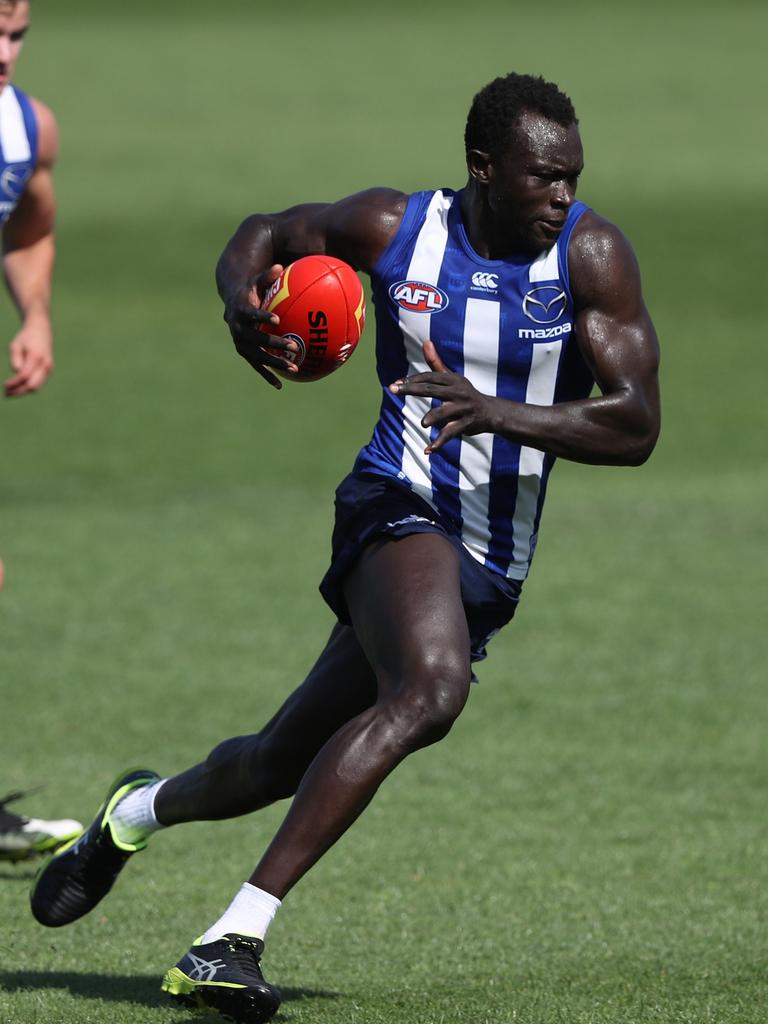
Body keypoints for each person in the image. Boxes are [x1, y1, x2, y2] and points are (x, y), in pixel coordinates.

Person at [30, 72, 660, 1024]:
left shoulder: (593, 255)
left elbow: (638, 425)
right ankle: (228, 940)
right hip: (392, 506)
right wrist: (241, 307)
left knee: (278, 760)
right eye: (545, 178)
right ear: (485, 170)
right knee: (432, 691)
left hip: (491, 562)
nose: (563, 195)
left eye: (572, 174)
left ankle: (131, 813)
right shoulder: (394, 227)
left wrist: (502, 415)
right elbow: (263, 234)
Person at [0, 0, 58, 587]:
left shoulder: (26, 130)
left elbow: (29, 229)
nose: (4, 54)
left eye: (17, 35)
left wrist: (35, 315)